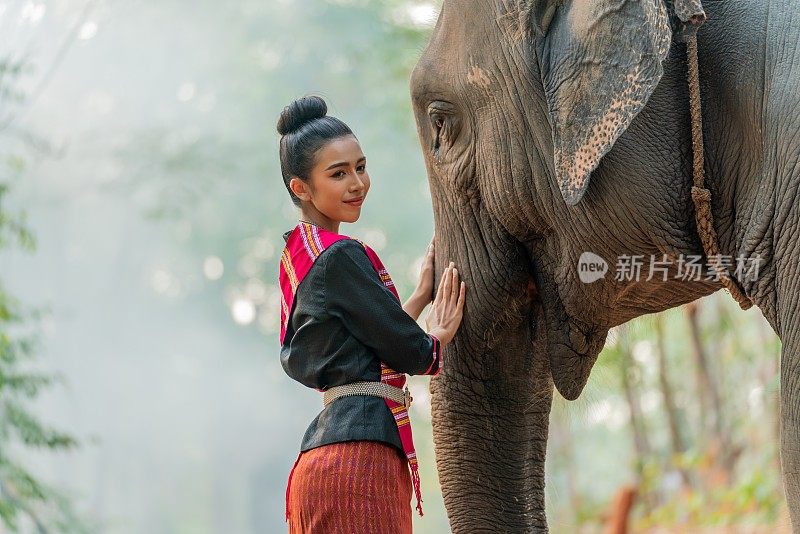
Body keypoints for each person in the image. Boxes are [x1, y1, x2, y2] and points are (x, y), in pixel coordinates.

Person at [277, 94, 466, 533]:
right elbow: (414, 354)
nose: (357, 183)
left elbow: (361, 339)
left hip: (319, 464)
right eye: (338, 173)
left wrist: (418, 298)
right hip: (358, 466)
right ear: (300, 187)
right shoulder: (340, 256)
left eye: (360, 167)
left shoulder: (301, 257)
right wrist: (434, 339)